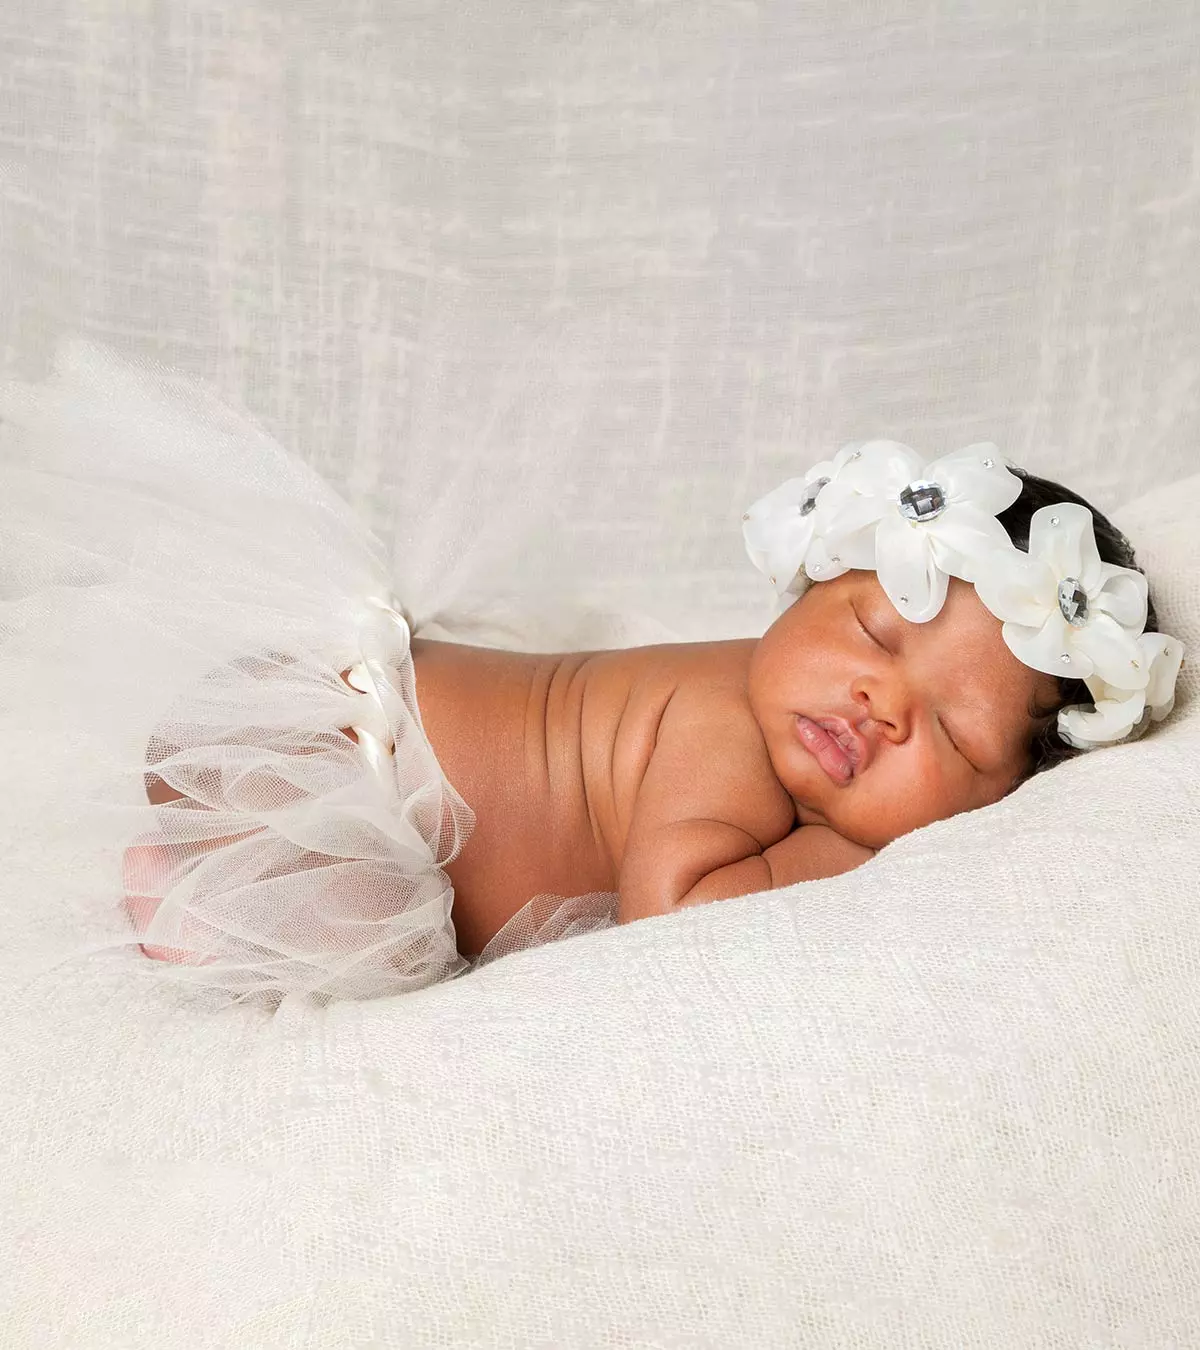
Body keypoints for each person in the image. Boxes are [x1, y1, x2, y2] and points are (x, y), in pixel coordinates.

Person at [0, 341, 1183, 1004]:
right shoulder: (727, 723)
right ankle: (222, 906)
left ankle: (204, 882)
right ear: (802, 586)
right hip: (348, 760)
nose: (881, 705)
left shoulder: (817, 766)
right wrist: (833, 854)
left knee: (298, 881)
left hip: (330, 728)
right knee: (364, 938)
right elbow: (673, 920)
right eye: (873, 633)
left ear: (999, 803)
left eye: (957, 740)